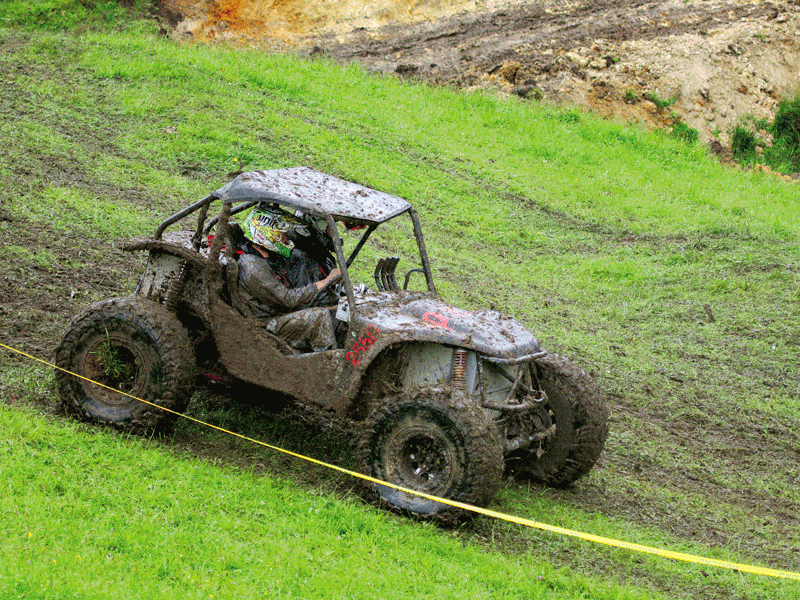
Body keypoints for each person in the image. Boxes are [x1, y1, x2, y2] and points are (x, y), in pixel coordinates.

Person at [234, 204, 341, 352]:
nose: (286, 239)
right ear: (268, 233)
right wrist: (326, 281)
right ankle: (330, 364)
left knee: (340, 312)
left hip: (282, 315)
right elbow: (287, 298)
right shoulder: (253, 266)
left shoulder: (269, 257)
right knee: (319, 316)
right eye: (282, 234)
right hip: (268, 325)